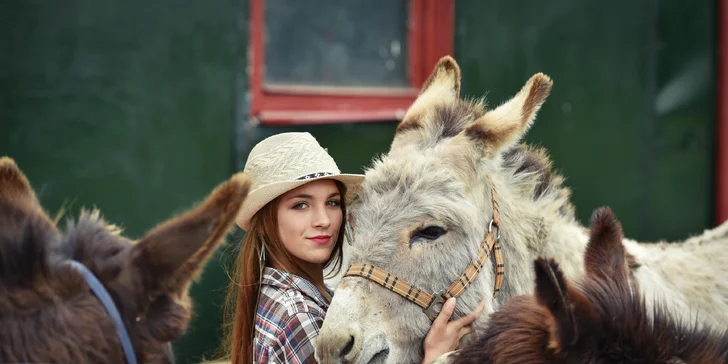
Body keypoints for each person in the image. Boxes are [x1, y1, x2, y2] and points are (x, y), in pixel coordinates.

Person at [220, 132, 483, 363]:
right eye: (301, 205)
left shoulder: (286, 296)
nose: (323, 220)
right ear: (264, 224)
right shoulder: (298, 316)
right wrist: (434, 357)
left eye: (333, 203)